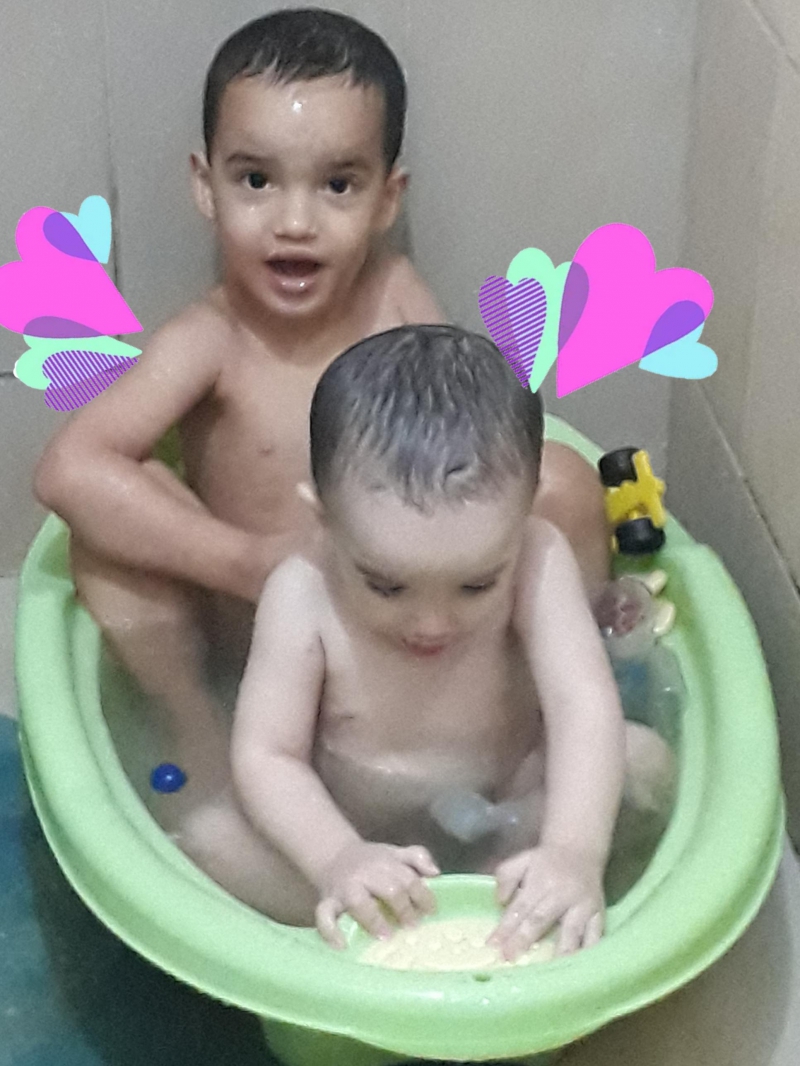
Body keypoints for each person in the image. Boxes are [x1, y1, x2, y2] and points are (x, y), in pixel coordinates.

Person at [32, 9, 609, 885]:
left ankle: (551, 715)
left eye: (338, 185)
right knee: (103, 540)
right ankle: (199, 736)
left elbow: (474, 446)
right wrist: (250, 563)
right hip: (270, 645)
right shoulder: (210, 339)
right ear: (205, 186)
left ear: (387, 198)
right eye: (256, 180)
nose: (294, 220)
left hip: (422, 636)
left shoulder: (395, 298)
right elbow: (68, 469)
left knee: (559, 480)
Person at [230, 325, 675, 962]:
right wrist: (337, 856)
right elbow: (267, 753)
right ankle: (362, 915)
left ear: (524, 516)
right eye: (387, 585)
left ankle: (540, 892)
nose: (432, 623)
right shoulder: (301, 594)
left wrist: (574, 851)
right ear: (323, 520)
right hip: (352, 824)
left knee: (644, 762)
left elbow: (582, 704)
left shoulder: (538, 556)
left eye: (476, 585)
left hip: (513, 802)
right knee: (207, 837)